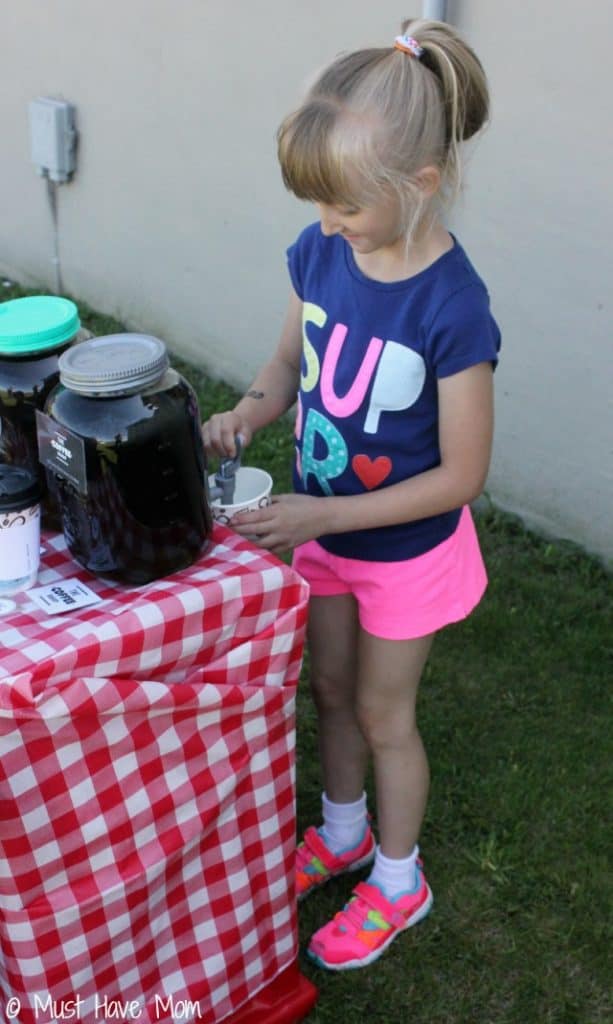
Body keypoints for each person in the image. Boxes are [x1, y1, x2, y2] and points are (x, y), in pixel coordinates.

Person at [202, 17, 500, 971]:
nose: (327, 225)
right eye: (318, 205)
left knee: (382, 715)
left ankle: (398, 882)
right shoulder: (322, 252)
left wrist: (321, 515)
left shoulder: (452, 307)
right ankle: (341, 833)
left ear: (417, 187)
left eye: (344, 208)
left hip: (401, 553)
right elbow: (290, 359)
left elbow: (462, 477)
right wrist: (249, 412)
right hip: (324, 530)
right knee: (325, 687)